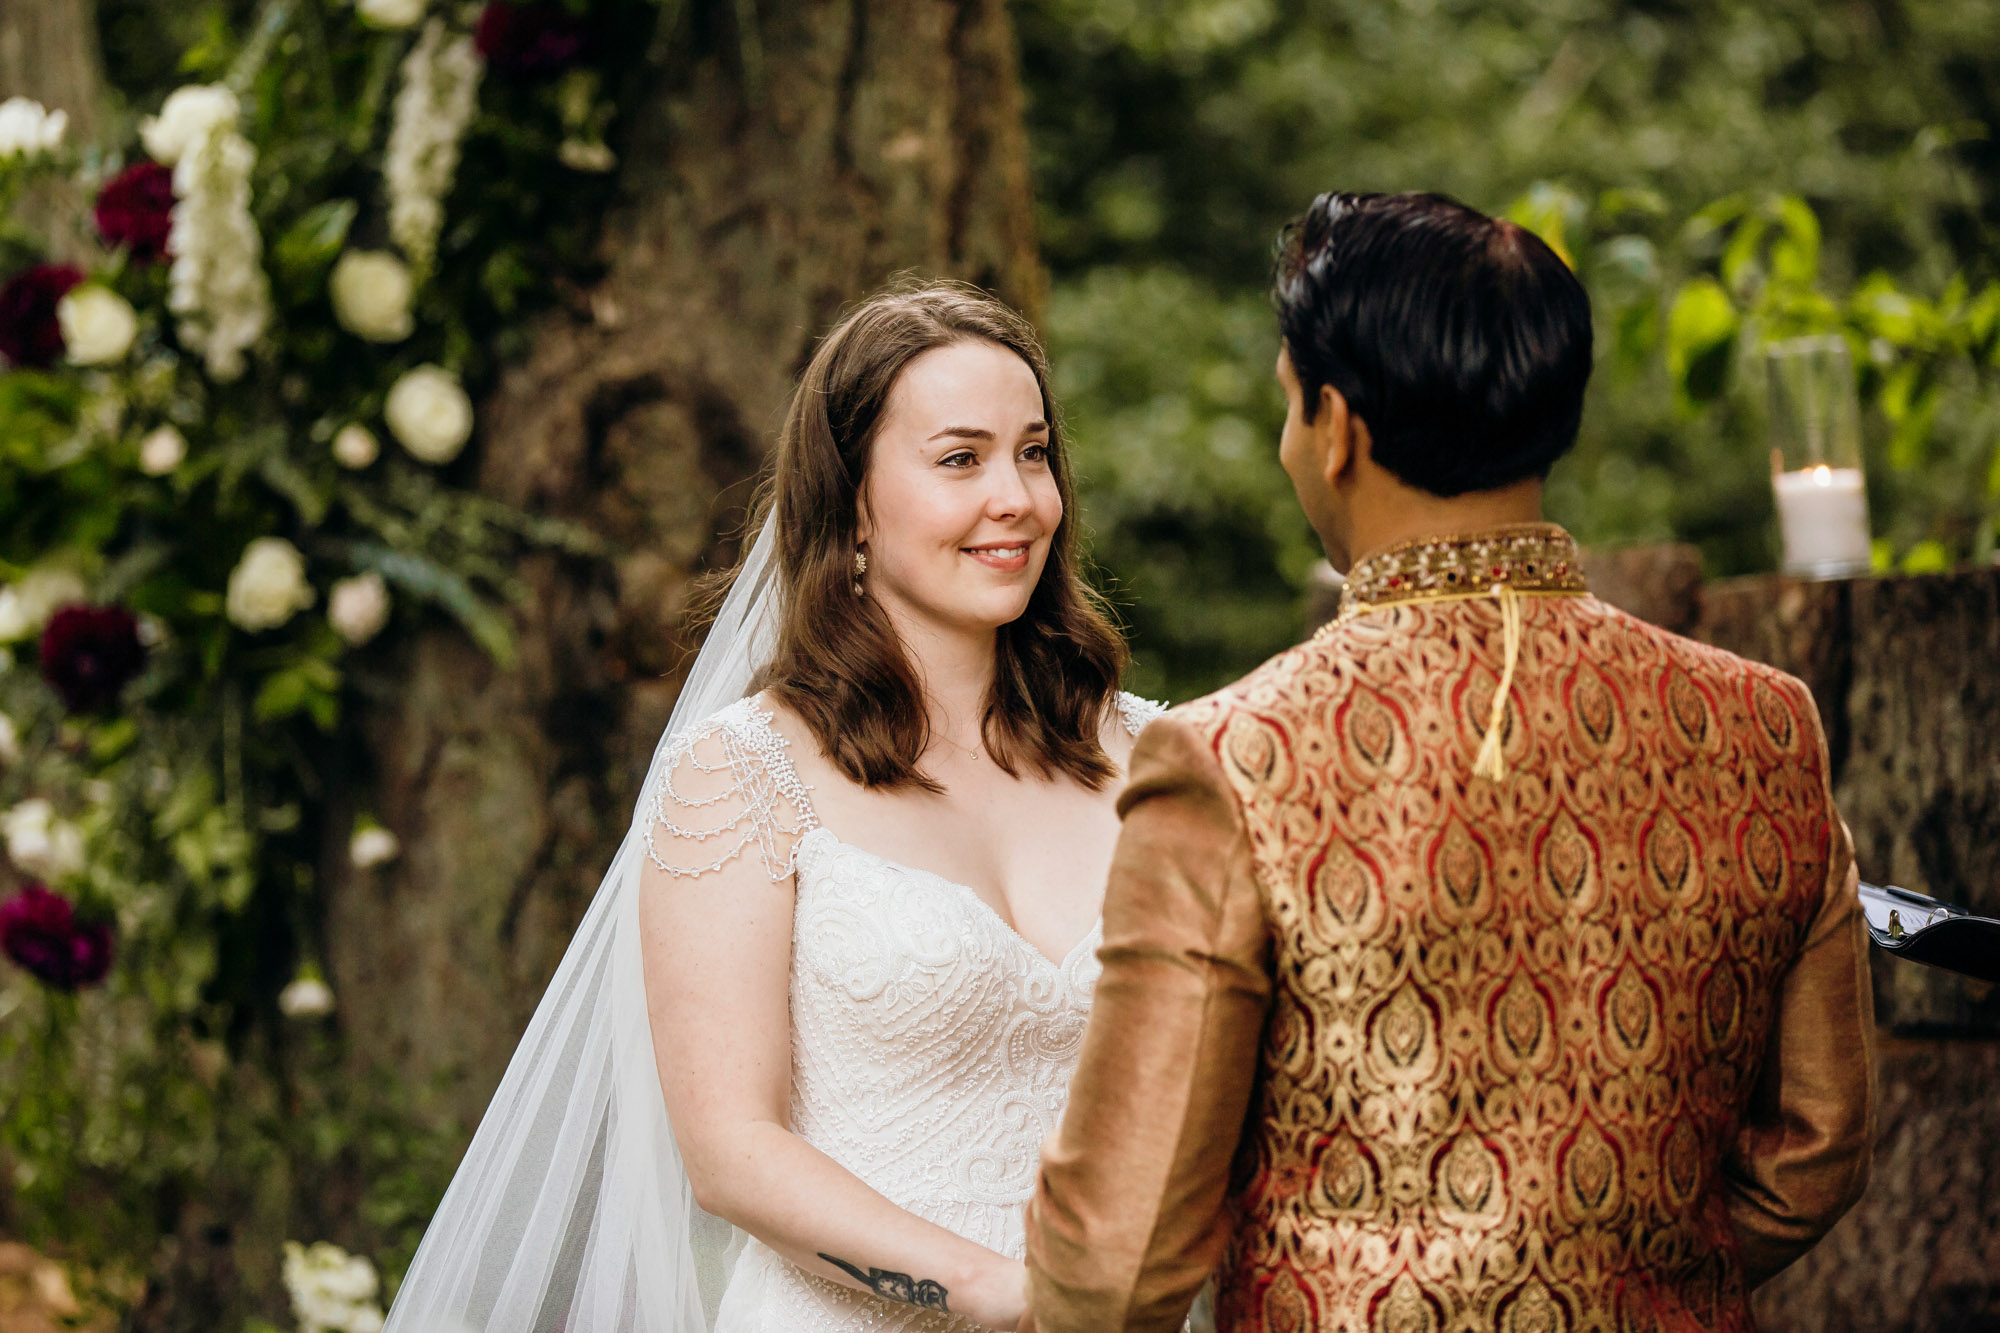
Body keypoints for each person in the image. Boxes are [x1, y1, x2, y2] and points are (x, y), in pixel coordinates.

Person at [1022, 192, 1877, 1332]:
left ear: (1335, 425)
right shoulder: (1766, 724)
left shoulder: (1232, 760)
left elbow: (1117, 1263)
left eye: (1286, 405)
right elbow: (1813, 1150)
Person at [380, 280, 1164, 1333]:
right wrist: (1001, 1292)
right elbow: (731, 1153)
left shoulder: (1159, 757)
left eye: (1032, 452)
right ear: (849, 505)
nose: (1016, 496)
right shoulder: (743, 774)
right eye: (959, 459)